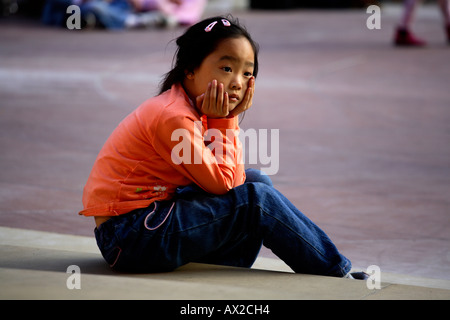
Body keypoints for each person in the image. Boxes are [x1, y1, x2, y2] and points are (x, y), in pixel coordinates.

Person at [81, 15, 367, 279]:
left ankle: (221, 265)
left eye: (247, 73)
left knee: (257, 181)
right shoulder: (173, 116)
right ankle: (334, 273)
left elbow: (231, 180)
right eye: (227, 68)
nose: (236, 83)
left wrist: (222, 120)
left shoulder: (191, 107)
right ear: (190, 68)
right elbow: (224, 185)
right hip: (129, 236)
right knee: (256, 200)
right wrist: (226, 120)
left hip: (148, 221)